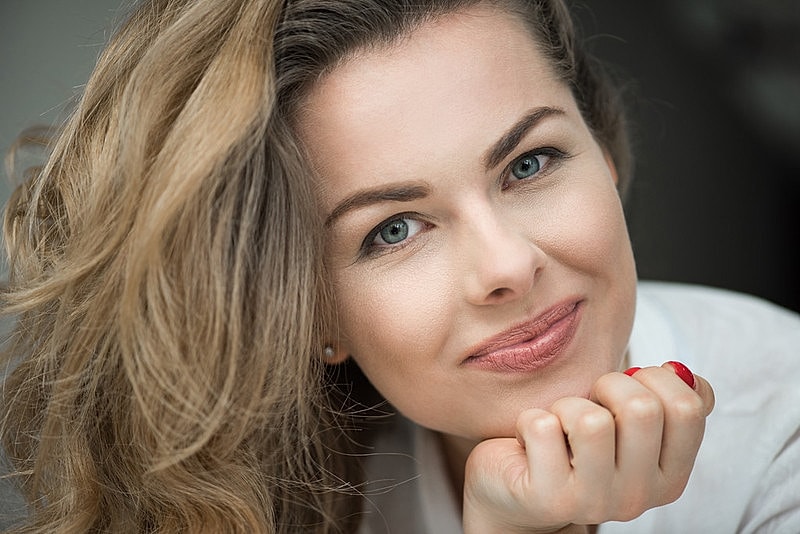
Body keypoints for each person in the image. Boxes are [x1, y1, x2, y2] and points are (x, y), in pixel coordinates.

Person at [0, 0, 797, 532]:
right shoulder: (281, 496)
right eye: (394, 230)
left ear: (606, 150)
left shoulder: (783, 419)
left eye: (529, 164)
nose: (507, 266)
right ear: (309, 313)